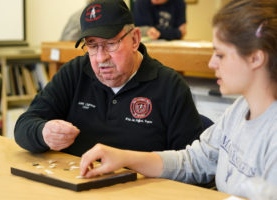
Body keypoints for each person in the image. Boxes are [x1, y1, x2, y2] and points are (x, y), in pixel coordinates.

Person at [79, 0, 277, 199]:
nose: (211, 63)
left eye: (220, 54)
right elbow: (194, 161)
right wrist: (124, 157)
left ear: (255, 58)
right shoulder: (239, 109)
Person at [14, 0, 203, 157]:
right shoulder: (75, 73)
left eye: (111, 44)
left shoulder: (170, 87)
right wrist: (43, 132)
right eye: (92, 46)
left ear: (135, 40)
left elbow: (192, 164)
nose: (100, 58)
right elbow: (24, 125)